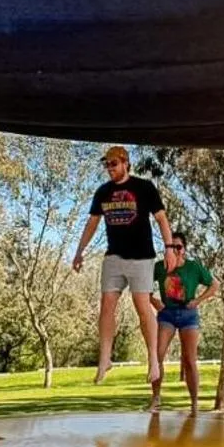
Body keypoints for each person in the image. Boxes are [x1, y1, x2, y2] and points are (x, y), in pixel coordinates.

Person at [71, 145, 172, 389]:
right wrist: (79, 251)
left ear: (125, 163)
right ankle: (105, 358)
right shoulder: (103, 192)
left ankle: (153, 360)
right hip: (114, 257)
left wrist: (169, 247)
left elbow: (161, 218)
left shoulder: (144, 188)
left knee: (142, 307)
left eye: (113, 164)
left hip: (141, 257)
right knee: (106, 305)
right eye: (106, 165)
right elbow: (92, 223)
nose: (109, 169)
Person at [151, 233, 216, 413]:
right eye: (171, 247)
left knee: (190, 360)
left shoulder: (193, 267)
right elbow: (143, 288)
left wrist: (198, 300)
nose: (175, 251)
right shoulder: (160, 267)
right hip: (167, 315)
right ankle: (156, 398)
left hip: (189, 314)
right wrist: (153, 301)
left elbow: (214, 285)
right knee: (158, 355)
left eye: (178, 247)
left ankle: (194, 403)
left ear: (184, 249)